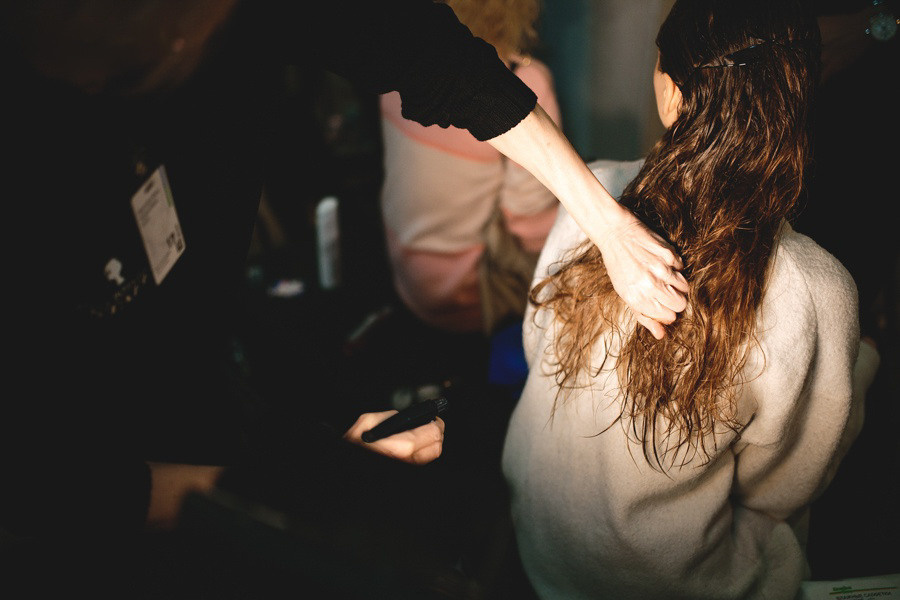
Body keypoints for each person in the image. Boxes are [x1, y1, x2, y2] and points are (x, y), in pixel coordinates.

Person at [0, 0, 689, 575]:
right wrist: (299, 481)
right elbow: (51, 488)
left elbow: (431, 55)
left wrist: (604, 219)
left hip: (238, 366)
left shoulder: (268, 33)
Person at [501, 1, 878, 597]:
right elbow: (780, 490)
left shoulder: (592, 190)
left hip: (541, 554)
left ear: (671, 92)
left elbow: (535, 347)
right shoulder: (815, 289)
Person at [379, 0, 562, 334]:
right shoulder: (522, 82)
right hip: (469, 296)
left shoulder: (393, 68)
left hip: (406, 276)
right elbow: (529, 221)